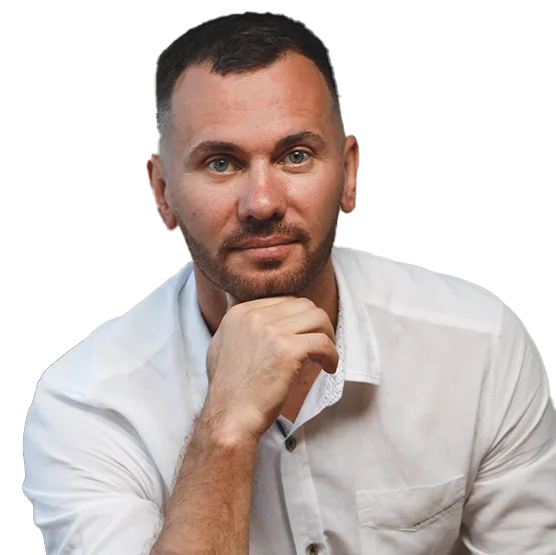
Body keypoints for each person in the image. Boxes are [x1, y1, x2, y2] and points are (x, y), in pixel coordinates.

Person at [23, 12, 556, 555]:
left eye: (295, 156)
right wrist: (225, 428)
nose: (262, 203)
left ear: (348, 174)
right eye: (221, 163)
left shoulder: (480, 346)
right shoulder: (84, 405)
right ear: (163, 193)